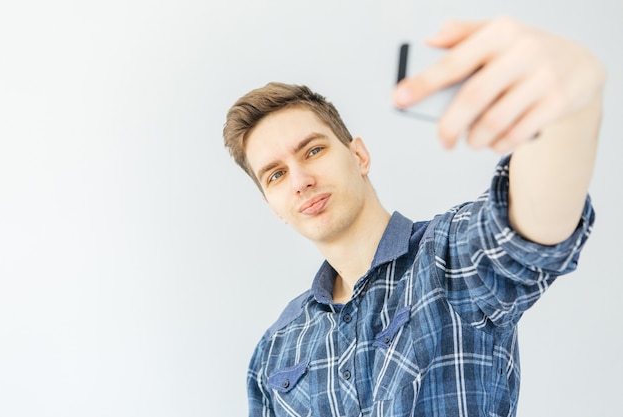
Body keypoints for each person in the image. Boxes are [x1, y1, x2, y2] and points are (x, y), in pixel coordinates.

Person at [222, 17, 605, 417]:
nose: (300, 180)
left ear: (359, 156)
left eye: (313, 150)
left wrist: (567, 114)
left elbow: (530, 231)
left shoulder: (451, 257)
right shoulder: (276, 349)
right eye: (277, 175)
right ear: (273, 206)